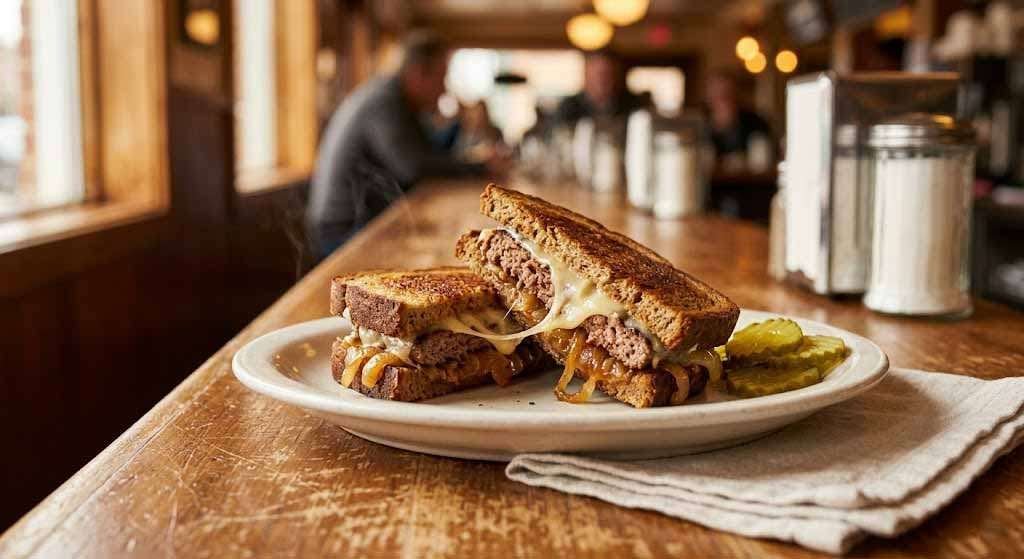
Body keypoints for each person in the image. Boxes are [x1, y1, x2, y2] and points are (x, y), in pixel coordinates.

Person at [307, 31, 506, 259]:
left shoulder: (399, 99)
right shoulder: (385, 102)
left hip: (368, 220)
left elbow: (429, 153)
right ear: (418, 73)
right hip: (344, 230)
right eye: (441, 78)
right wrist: (481, 167)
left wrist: (460, 125)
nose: (444, 90)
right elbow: (413, 168)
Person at [554, 50, 647, 126]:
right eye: (598, 74)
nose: (602, 80)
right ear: (586, 76)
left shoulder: (634, 105)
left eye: (608, 74)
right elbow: (554, 137)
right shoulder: (568, 107)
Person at [704, 72, 774, 164]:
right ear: (708, 96)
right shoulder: (698, 124)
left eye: (728, 92)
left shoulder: (757, 123)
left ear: (737, 93)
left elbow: (768, 156)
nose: (723, 98)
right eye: (717, 93)